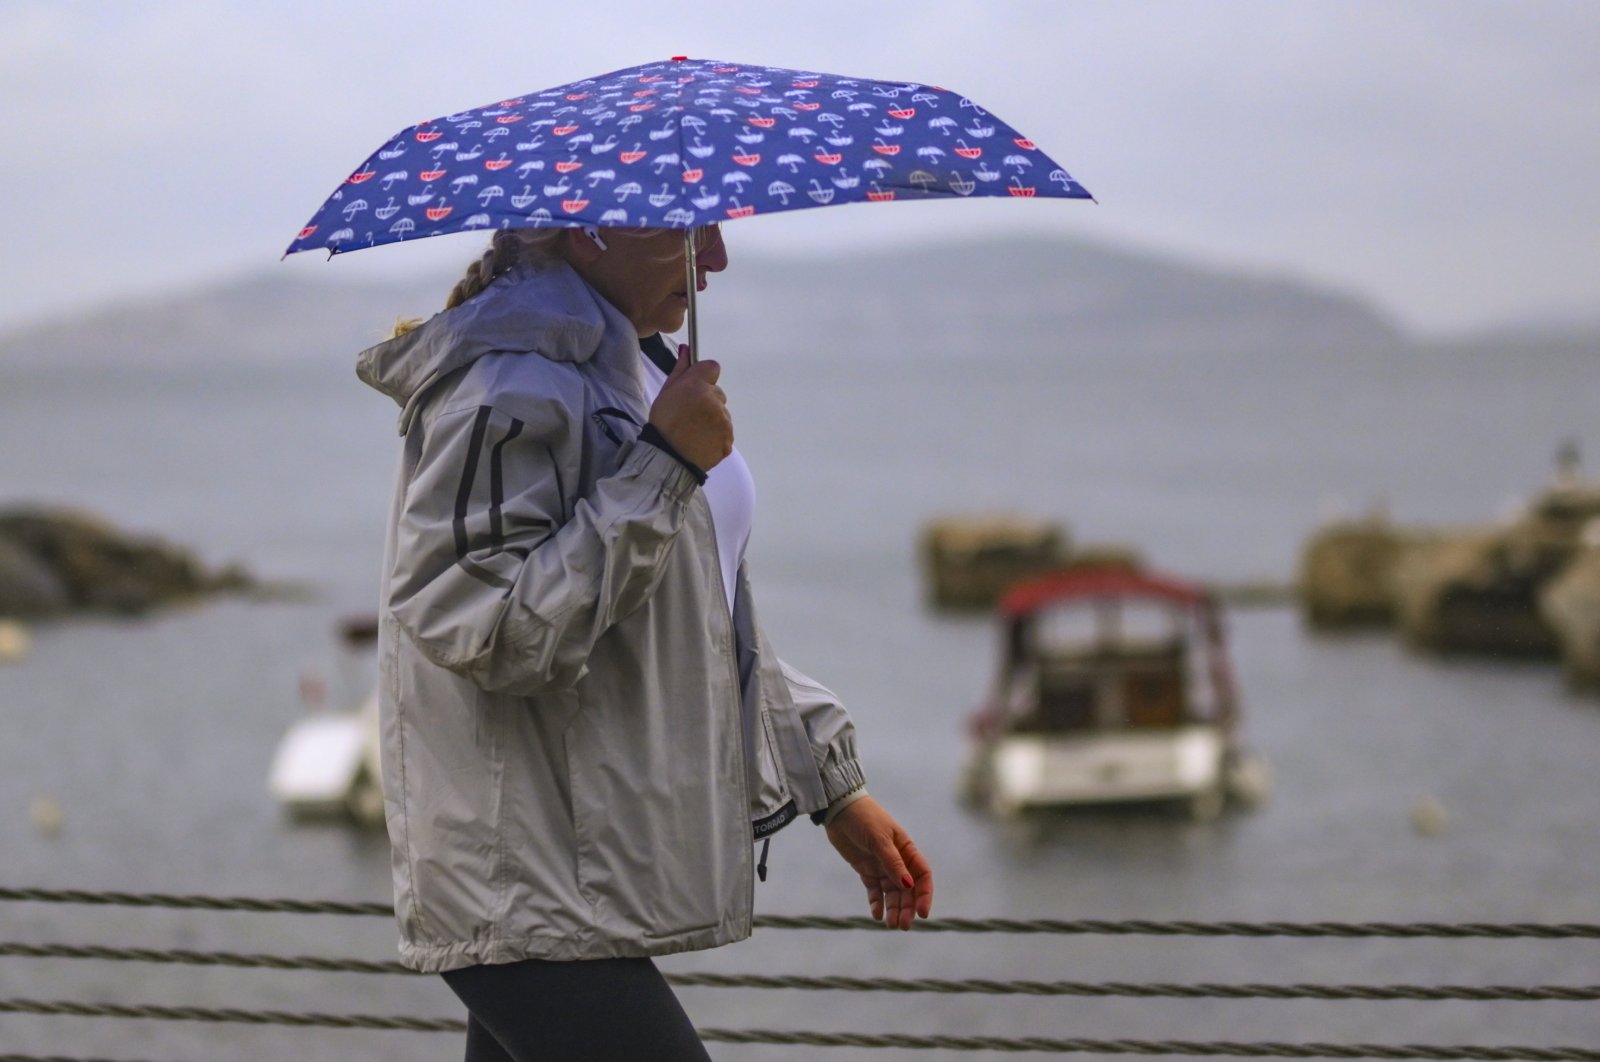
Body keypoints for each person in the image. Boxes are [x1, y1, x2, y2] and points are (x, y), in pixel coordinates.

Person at [356, 222, 934, 1060]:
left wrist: (830, 784)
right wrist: (665, 461)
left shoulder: (637, 370)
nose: (719, 260)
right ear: (590, 234)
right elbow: (493, 631)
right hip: (528, 883)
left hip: (574, 877)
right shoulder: (504, 382)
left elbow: (697, 623)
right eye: (692, 233)